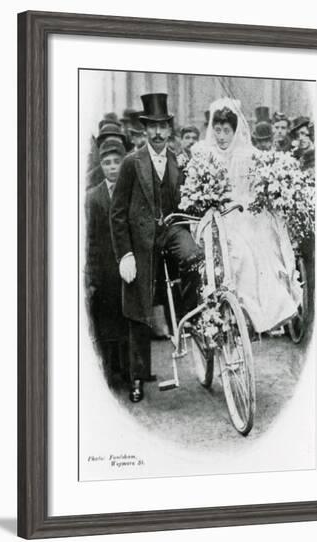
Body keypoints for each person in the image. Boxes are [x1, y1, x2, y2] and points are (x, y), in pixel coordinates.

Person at [110, 93, 203, 403]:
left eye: (164, 126)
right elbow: (118, 214)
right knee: (139, 310)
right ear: (145, 130)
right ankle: (137, 378)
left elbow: (188, 202)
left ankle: (191, 317)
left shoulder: (178, 160)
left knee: (195, 259)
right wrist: (125, 253)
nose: (159, 133)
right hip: (141, 242)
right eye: (153, 127)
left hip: (172, 230)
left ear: (169, 129)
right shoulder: (130, 163)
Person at [192, 98, 302, 333]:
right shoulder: (203, 155)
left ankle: (258, 316)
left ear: (235, 131)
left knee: (261, 249)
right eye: (217, 130)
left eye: (226, 131)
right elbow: (196, 193)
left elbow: (254, 189)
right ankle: (237, 311)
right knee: (240, 253)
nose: (221, 136)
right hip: (214, 217)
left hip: (241, 215)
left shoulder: (247, 155)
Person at [85, 137, 129, 389]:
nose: (112, 167)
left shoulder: (130, 191)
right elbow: (89, 238)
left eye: (116, 162)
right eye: (107, 163)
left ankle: (128, 372)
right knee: (106, 325)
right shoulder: (93, 197)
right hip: (104, 271)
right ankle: (109, 373)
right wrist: (91, 274)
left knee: (125, 324)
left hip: (126, 268)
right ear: (100, 165)